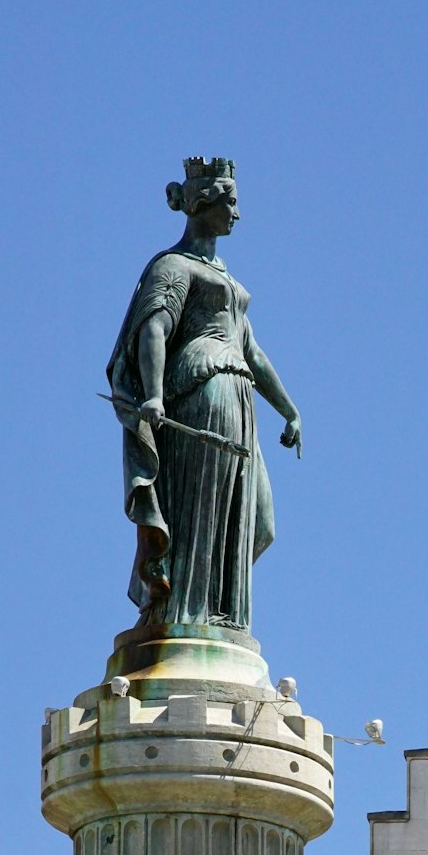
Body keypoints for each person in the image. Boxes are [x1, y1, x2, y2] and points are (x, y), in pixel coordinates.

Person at [107, 157, 301, 631]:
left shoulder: (228, 279)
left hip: (239, 401)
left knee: (254, 518)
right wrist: (152, 395)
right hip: (201, 395)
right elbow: (153, 327)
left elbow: (252, 351)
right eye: (231, 202)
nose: (237, 214)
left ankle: (222, 613)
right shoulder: (172, 266)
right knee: (202, 509)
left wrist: (290, 411)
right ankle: (185, 612)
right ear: (202, 203)